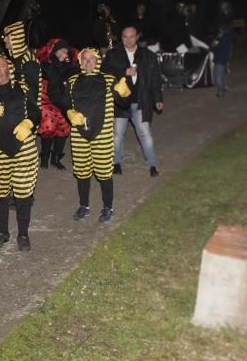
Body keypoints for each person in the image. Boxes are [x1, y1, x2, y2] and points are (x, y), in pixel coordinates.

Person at [61, 48, 131, 222]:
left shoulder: (108, 80)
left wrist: (124, 92)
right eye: (85, 60)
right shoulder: (72, 81)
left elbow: (123, 103)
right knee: (82, 173)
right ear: (80, 61)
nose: (88, 63)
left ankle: (108, 207)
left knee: (104, 173)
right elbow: (64, 102)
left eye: (92, 59)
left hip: (103, 135)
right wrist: (69, 112)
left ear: (98, 61)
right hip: (79, 135)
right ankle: (84, 206)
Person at [0, 56, 41, 251]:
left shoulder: (22, 89)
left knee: (23, 194)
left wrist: (29, 123)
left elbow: (35, 112)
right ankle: (3, 232)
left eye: (1, 66)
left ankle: (23, 234)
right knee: (0, 194)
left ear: (9, 69)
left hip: (24, 148)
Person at [104, 26, 164, 177]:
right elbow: (105, 71)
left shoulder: (148, 55)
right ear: (121, 38)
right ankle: (116, 162)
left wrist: (157, 98)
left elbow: (155, 78)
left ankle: (152, 164)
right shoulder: (113, 54)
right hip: (120, 102)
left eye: (132, 36)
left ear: (137, 37)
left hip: (141, 100)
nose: (128, 39)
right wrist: (124, 72)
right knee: (117, 135)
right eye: (125, 36)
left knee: (144, 133)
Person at [35, 38, 78, 169]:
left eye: (65, 50)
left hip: (64, 103)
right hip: (48, 101)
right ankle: (45, 155)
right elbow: (52, 76)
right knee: (48, 127)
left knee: (63, 130)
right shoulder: (46, 65)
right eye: (59, 50)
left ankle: (56, 157)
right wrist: (57, 63)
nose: (62, 53)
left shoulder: (73, 67)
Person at [211, 19, 233, 98]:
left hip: (221, 59)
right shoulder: (219, 36)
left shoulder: (226, 37)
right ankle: (222, 89)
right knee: (216, 77)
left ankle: (221, 92)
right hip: (217, 59)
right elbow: (213, 47)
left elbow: (226, 50)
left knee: (218, 78)